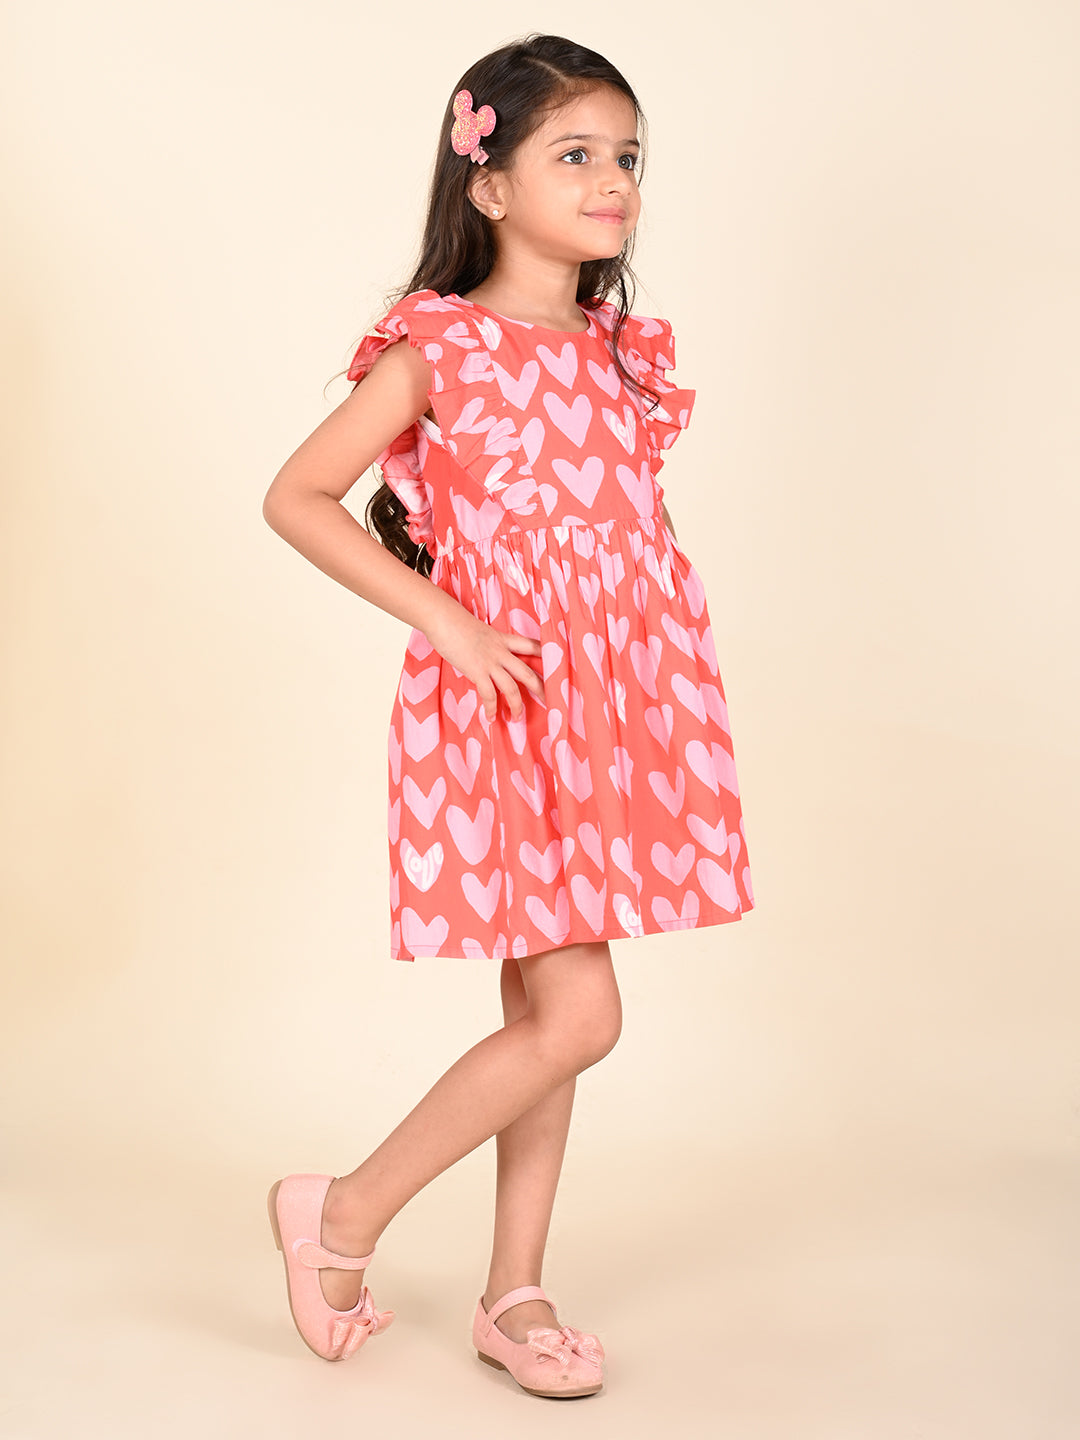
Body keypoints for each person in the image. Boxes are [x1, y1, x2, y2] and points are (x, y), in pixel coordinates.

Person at [261, 31, 755, 1400]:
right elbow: (297, 496)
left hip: (615, 711)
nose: (614, 182)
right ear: (487, 184)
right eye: (575, 154)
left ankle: (513, 1290)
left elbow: (624, 540)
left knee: (546, 1008)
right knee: (581, 1014)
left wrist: (657, 684)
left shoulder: (620, 352)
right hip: (513, 708)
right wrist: (447, 619)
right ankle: (340, 1213)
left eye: (628, 157)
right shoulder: (443, 345)